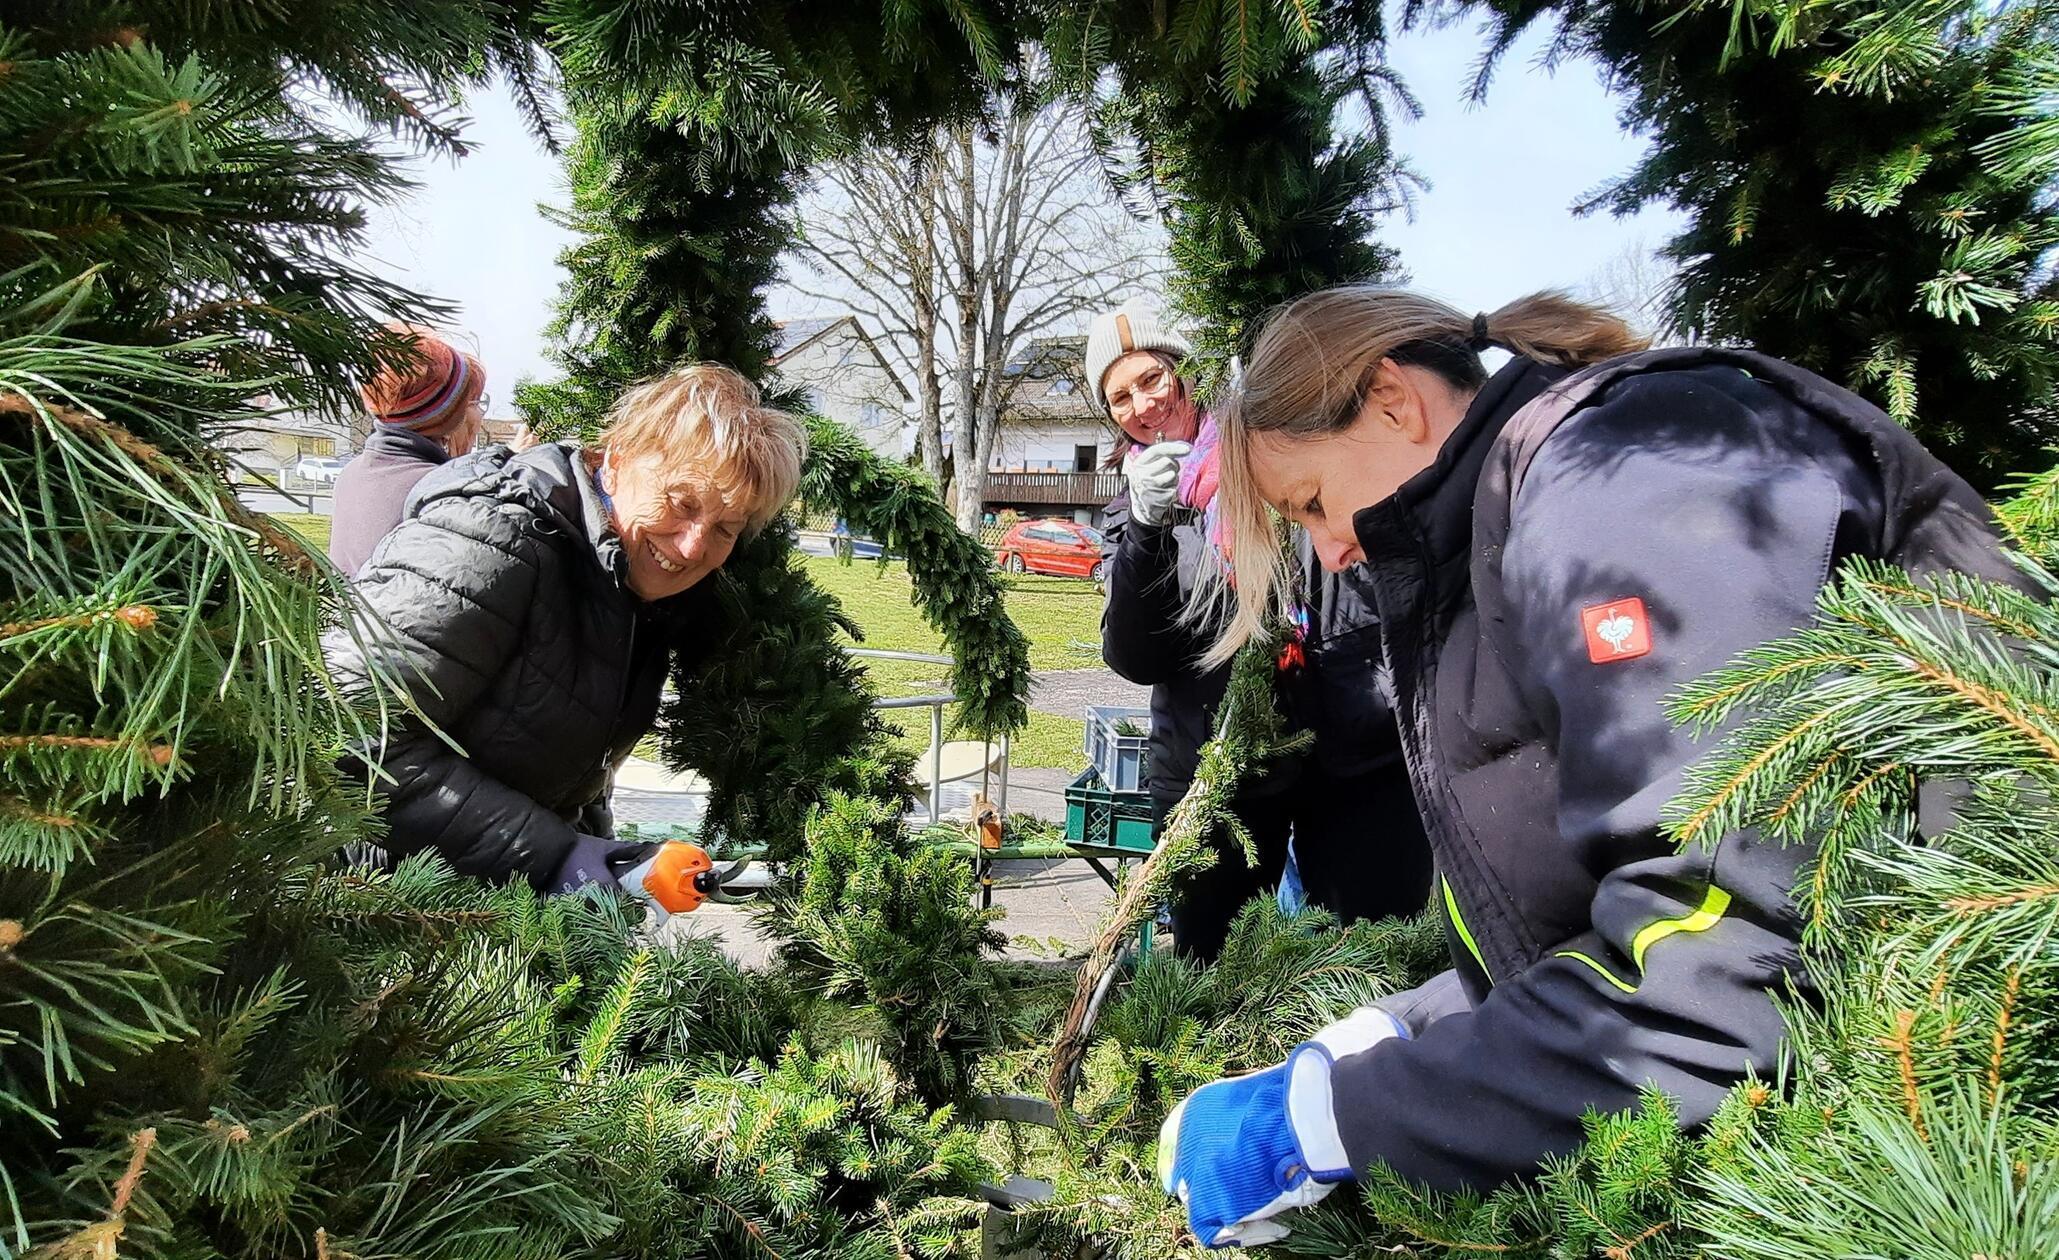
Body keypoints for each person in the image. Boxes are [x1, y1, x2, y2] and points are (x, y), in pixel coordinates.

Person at [1154, 286, 2023, 1247]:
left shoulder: (1615, 484)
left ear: (1393, 401)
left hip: (1957, 1119)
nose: (1329, 549)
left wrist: (1344, 1119)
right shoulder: (1500, 529)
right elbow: (1600, 907)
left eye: (1310, 502)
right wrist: (1410, 1026)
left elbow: (1727, 938)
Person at [323, 364, 806, 896]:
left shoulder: (626, 582)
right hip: (379, 908)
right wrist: (560, 859)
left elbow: (573, 771)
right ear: (617, 463)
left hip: (493, 900)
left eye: (725, 528)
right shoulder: (489, 539)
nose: (693, 546)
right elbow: (347, 737)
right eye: (681, 503)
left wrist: (610, 866)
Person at [1090, 306, 1298, 962]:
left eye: (1151, 380)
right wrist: (1147, 531)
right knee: (1210, 961)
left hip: (1316, 754)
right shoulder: (1128, 509)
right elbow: (1135, 656)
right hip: (1206, 769)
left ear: (1185, 375)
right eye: (1119, 397)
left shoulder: (1266, 456)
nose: (1141, 405)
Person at [329, 325, 489, 577]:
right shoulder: (438, 488)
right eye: (470, 402)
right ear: (448, 412)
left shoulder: (352, 473)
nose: (476, 412)